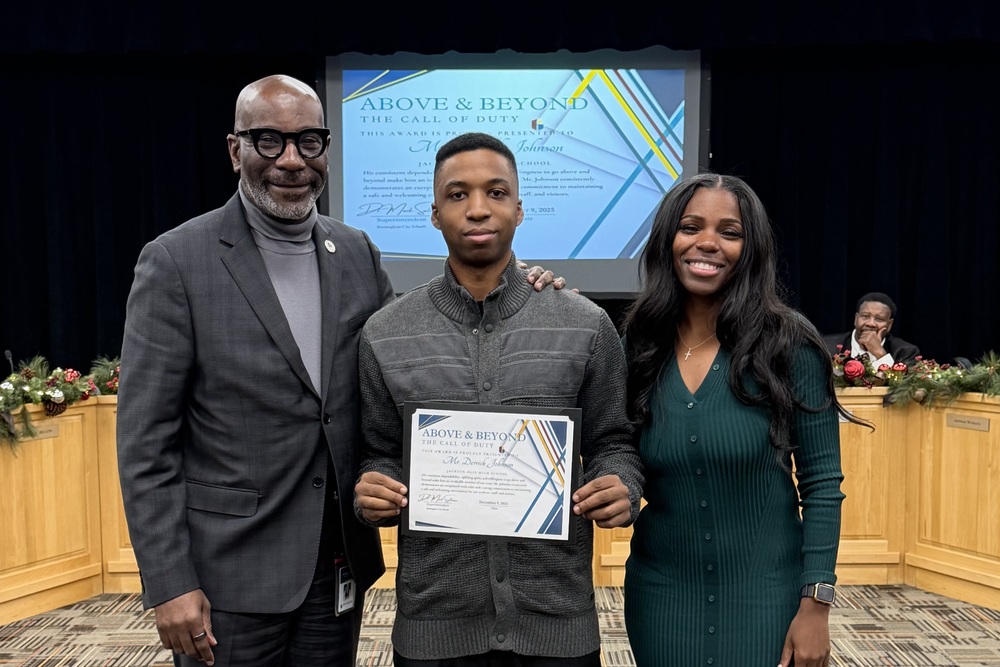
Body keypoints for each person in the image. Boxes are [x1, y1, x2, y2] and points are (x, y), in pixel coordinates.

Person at [117, 77, 557, 667]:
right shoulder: (175, 260)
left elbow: (415, 351)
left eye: (309, 141)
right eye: (268, 141)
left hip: (336, 566)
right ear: (234, 150)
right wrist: (169, 581)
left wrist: (522, 287)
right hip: (228, 576)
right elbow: (146, 444)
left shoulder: (355, 252)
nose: (292, 160)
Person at [353, 132, 644, 667]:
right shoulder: (384, 333)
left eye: (497, 192)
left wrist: (622, 484)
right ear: (435, 213)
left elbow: (613, 442)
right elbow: (377, 451)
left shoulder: (583, 323)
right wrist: (371, 491)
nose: (479, 209)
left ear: (520, 208)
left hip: (557, 623)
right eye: (458, 195)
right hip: (433, 628)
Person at [621, 174, 847, 667]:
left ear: (752, 249)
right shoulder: (639, 342)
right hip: (660, 598)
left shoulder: (790, 344)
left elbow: (823, 485)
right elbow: (617, 450)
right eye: (690, 226)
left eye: (730, 231)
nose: (707, 242)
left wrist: (816, 606)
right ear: (667, 239)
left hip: (768, 599)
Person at [822, 292, 921, 367]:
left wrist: (880, 354)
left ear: (889, 324)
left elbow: (904, 389)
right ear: (856, 319)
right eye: (865, 316)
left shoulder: (905, 352)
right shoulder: (827, 347)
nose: (871, 323)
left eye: (879, 319)